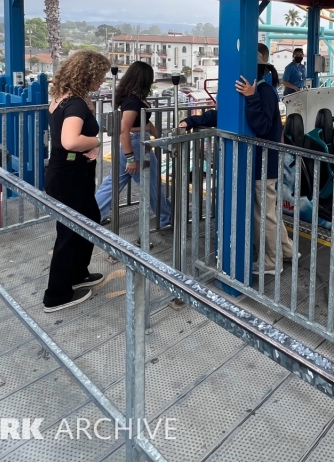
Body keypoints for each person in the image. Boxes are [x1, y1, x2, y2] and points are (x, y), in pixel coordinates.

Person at [181, 62, 293, 275]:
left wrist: (251, 97)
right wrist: (192, 120)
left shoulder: (263, 91)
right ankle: (285, 251)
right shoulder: (254, 90)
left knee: (264, 214)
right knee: (267, 212)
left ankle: (271, 262)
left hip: (263, 162)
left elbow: (262, 126)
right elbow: (224, 115)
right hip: (259, 161)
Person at [42, 50, 111, 313]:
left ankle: (78, 273)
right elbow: (69, 141)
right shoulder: (76, 105)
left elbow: (67, 137)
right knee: (71, 233)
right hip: (69, 177)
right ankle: (56, 295)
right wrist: (95, 141)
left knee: (89, 220)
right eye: (101, 75)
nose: (103, 80)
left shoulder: (64, 100)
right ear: (89, 75)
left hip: (68, 173)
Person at [95, 61, 172, 229]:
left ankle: (93, 214)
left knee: (113, 183)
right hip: (136, 146)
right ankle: (165, 219)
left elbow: (130, 126)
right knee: (152, 184)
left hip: (133, 144)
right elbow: (124, 129)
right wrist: (131, 158)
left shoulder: (132, 98)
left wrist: (149, 128)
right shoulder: (133, 102)